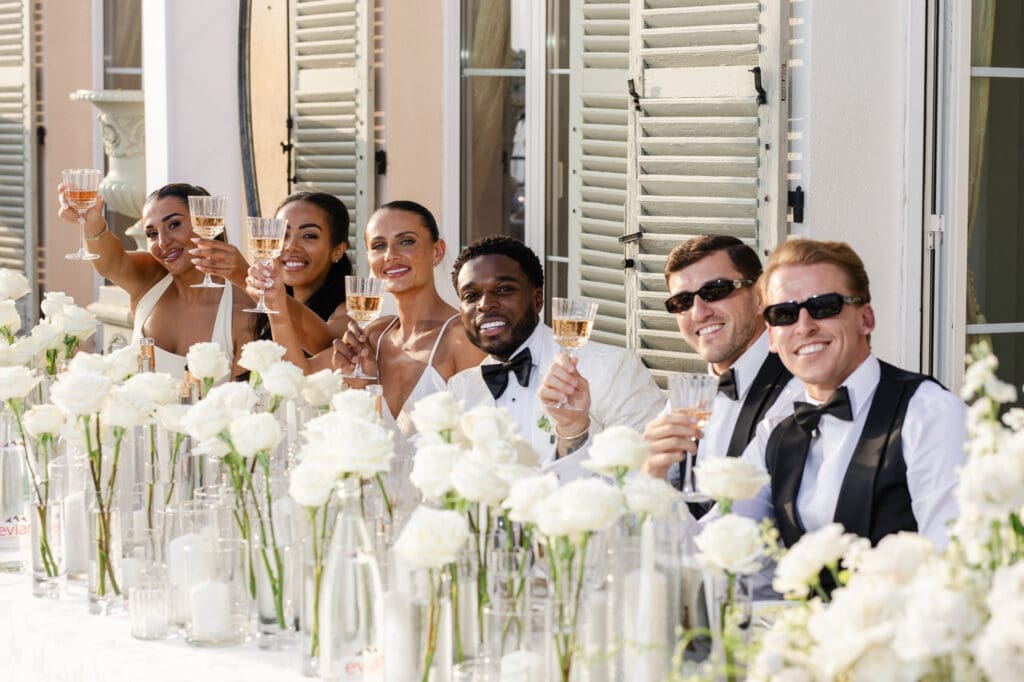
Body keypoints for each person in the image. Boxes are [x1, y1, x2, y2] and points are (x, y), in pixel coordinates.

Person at [729, 238, 967, 548]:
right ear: (772, 336)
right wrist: (654, 479)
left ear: (866, 319)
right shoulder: (775, 430)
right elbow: (724, 540)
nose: (804, 327)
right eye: (784, 314)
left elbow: (953, 558)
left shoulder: (930, 413)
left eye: (824, 307)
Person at [448, 236, 663, 480]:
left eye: (504, 289)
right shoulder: (461, 390)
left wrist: (574, 433)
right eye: (471, 296)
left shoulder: (611, 368)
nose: (485, 305)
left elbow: (645, 477)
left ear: (537, 300)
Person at [641, 236, 802, 496]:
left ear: (761, 295)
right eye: (682, 302)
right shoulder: (686, 399)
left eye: (715, 291)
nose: (699, 313)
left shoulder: (801, 389)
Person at [58, 182, 254, 379]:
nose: (163, 242)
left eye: (174, 225)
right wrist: (92, 222)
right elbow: (111, 264)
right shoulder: (152, 279)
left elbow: (242, 401)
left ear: (207, 223)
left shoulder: (241, 309)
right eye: (152, 234)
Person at [330, 201, 485, 435]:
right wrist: (359, 387)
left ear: (438, 251)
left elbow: (482, 437)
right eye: (379, 246)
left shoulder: (463, 338)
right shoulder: (373, 336)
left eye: (406, 241)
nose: (390, 255)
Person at [242, 191, 354, 371]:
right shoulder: (258, 308)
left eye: (309, 235)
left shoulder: (352, 312)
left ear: (337, 250)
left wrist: (240, 273)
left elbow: (327, 342)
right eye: (283, 234)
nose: (291, 246)